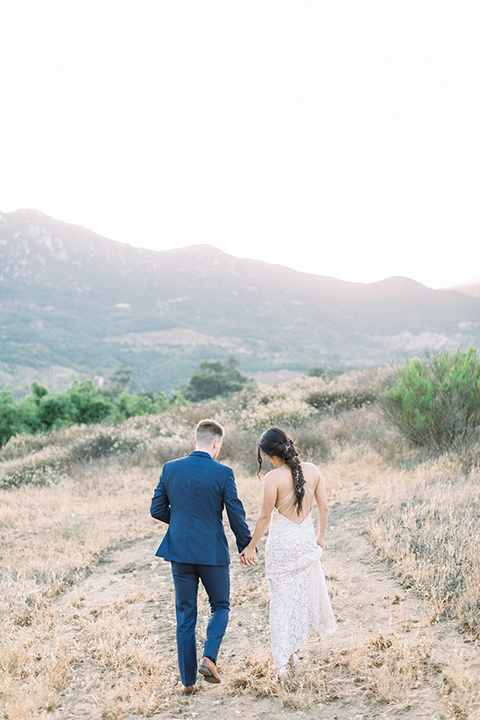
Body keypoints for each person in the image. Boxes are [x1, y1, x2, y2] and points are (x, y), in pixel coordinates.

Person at [150, 419, 254, 695]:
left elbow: (156, 508)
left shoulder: (170, 468)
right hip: (212, 553)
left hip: (180, 553)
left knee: (185, 614)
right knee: (220, 606)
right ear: (216, 444)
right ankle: (209, 658)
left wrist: (182, 522)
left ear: (195, 441)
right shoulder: (223, 473)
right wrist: (247, 546)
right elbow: (236, 515)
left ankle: (188, 682)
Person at [240, 427, 337, 681]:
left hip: (282, 547)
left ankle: (281, 664)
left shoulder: (273, 478)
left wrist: (251, 546)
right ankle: (292, 652)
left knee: (281, 604)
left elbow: (263, 516)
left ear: (271, 456)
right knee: (298, 601)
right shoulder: (313, 470)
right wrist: (321, 536)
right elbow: (324, 507)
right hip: (305, 543)